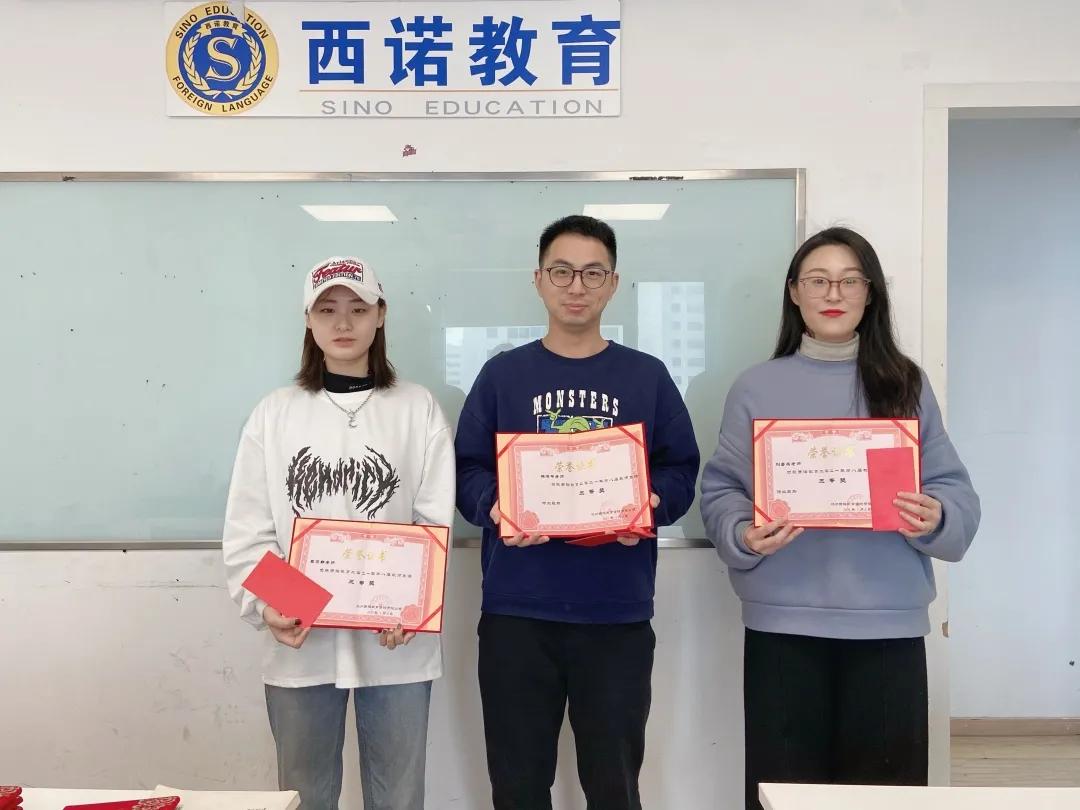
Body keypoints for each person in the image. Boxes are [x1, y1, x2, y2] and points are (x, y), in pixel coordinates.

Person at [699, 227, 980, 809]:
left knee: (885, 799)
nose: (834, 293)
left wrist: (936, 515)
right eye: (818, 280)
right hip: (782, 625)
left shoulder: (905, 382)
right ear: (793, 292)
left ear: (870, 294)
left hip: (888, 626)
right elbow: (722, 488)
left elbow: (954, 490)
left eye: (850, 280)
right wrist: (742, 532)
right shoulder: (756, 386)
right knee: (784, 794)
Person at [455, 215, 700, 810]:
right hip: (518, 611)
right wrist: (498, 506)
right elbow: (466, 471)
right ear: (538, 279)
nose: (576, 286)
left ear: (613, 283)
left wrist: (651, 504)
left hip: (615, 612)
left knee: (614, 786)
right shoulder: (502, 375)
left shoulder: (647, 376)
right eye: (562, 271)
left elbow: (680, 469)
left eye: (593, 273)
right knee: (518, 786)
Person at [222, 256, 455, 810]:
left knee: (399, 797)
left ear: (381, 315)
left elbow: (433, 521)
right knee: (303, 796)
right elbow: (248, 532)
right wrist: (280, 605)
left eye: (358, 308)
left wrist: (409, 607)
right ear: (308, 319)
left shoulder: (417, 407)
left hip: (395, 642)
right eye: (327, 310)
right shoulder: (275, 413)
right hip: (302, 641)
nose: (343, 322)